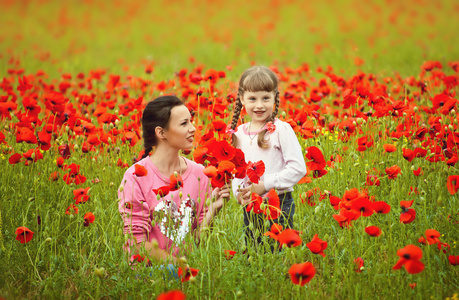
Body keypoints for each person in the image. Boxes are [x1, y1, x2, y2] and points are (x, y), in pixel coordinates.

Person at [118, 95, 230, 275]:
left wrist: (213, 210)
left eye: (191, 122)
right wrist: (180, 266)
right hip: (149, 272)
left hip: (188, 272)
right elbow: (136, 242)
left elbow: (198, 241)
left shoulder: (200, 174)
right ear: (161, 133)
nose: (193, 129)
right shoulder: (135, 177)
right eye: (184, 124)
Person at [229, 66, 307, 249]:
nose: (259, 105)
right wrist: (238, 195)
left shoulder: (281, 130)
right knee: (253, 254)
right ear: (242, 99)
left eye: (265, 98)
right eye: (252, 99)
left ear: (274, 98)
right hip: (251, 205)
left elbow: (298, 169)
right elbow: (237, 172)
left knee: (278, 251)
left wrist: (265, 185)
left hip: (279, 203)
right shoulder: (239, 133)